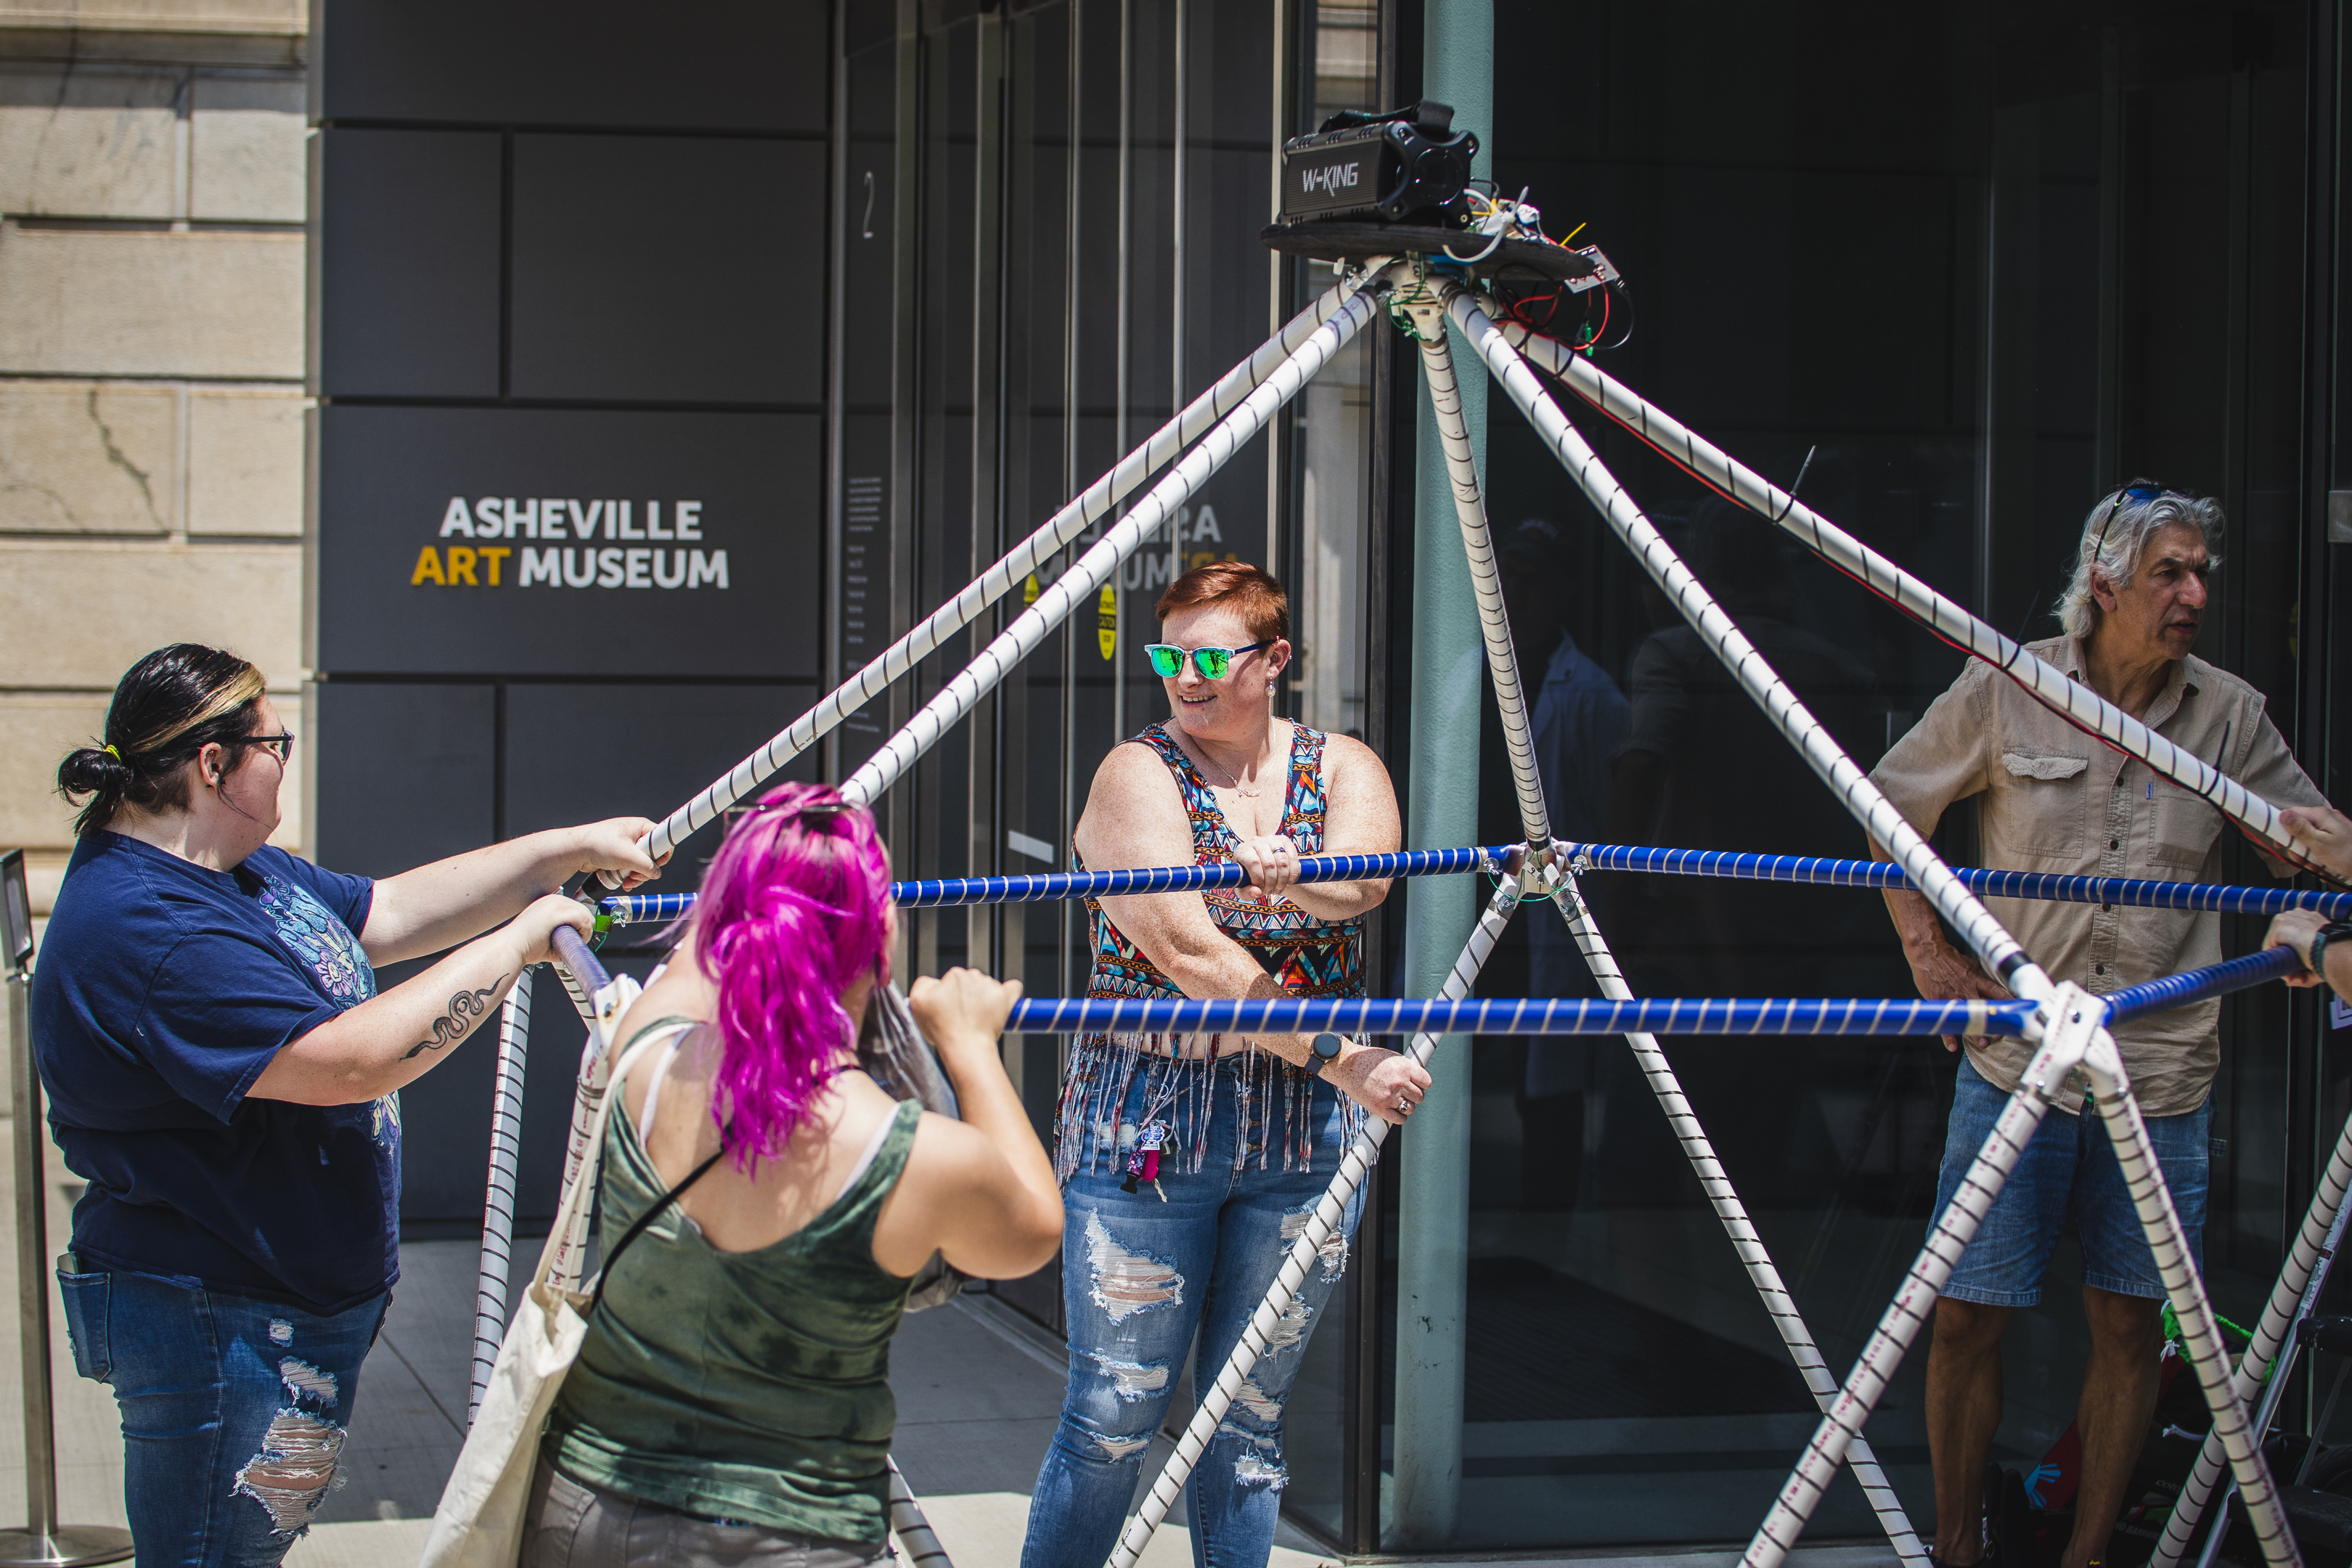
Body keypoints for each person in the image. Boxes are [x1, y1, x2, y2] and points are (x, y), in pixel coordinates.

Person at [33, 642, 661, 1564]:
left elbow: (389, 911)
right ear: (213, 764)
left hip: (274, 1303)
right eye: (274, 745)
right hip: (218, 1319)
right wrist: (519, 944)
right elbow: (351, 1064)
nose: (284, 762)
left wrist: (566, 849)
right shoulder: (148, 925)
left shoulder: (236, 867)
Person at [1870, 484, 2328, 1568]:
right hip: (2016, 1064)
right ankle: (1956, 1551)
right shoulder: (2008, 684)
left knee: (2131, 1325)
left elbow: (2310, 849)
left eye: (2203, 573)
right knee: (1964, 1313)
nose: (2195, 594)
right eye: (2171, 573)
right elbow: (1890, 805)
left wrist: (2315, 922)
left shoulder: (2230, 716)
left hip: (2159, 1075)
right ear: (2105, 584)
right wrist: (1931, 960)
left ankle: (2086, 1560)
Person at [526, 781, 1062, 1567]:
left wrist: (758, 861)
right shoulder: (921, 1158)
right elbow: (1032, 1233)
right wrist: (970, 1044)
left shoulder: (645, 1050)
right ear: (881, 940)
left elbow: (697, 957)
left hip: (586, 1511)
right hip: (791, 1536)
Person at [1021, 562, 1425, 1568]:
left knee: (1245, 1423)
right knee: (1114, 1414)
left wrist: (1302, 874)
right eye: (1171, 658)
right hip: (1153, 1114)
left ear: (1275, 657)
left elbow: (1370, 880)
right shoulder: (1138, 773)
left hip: (1303, 1130)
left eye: (1210, 658)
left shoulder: (1340, 765)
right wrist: (1341, 1057)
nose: (1186, 679)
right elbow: (1187, 951)